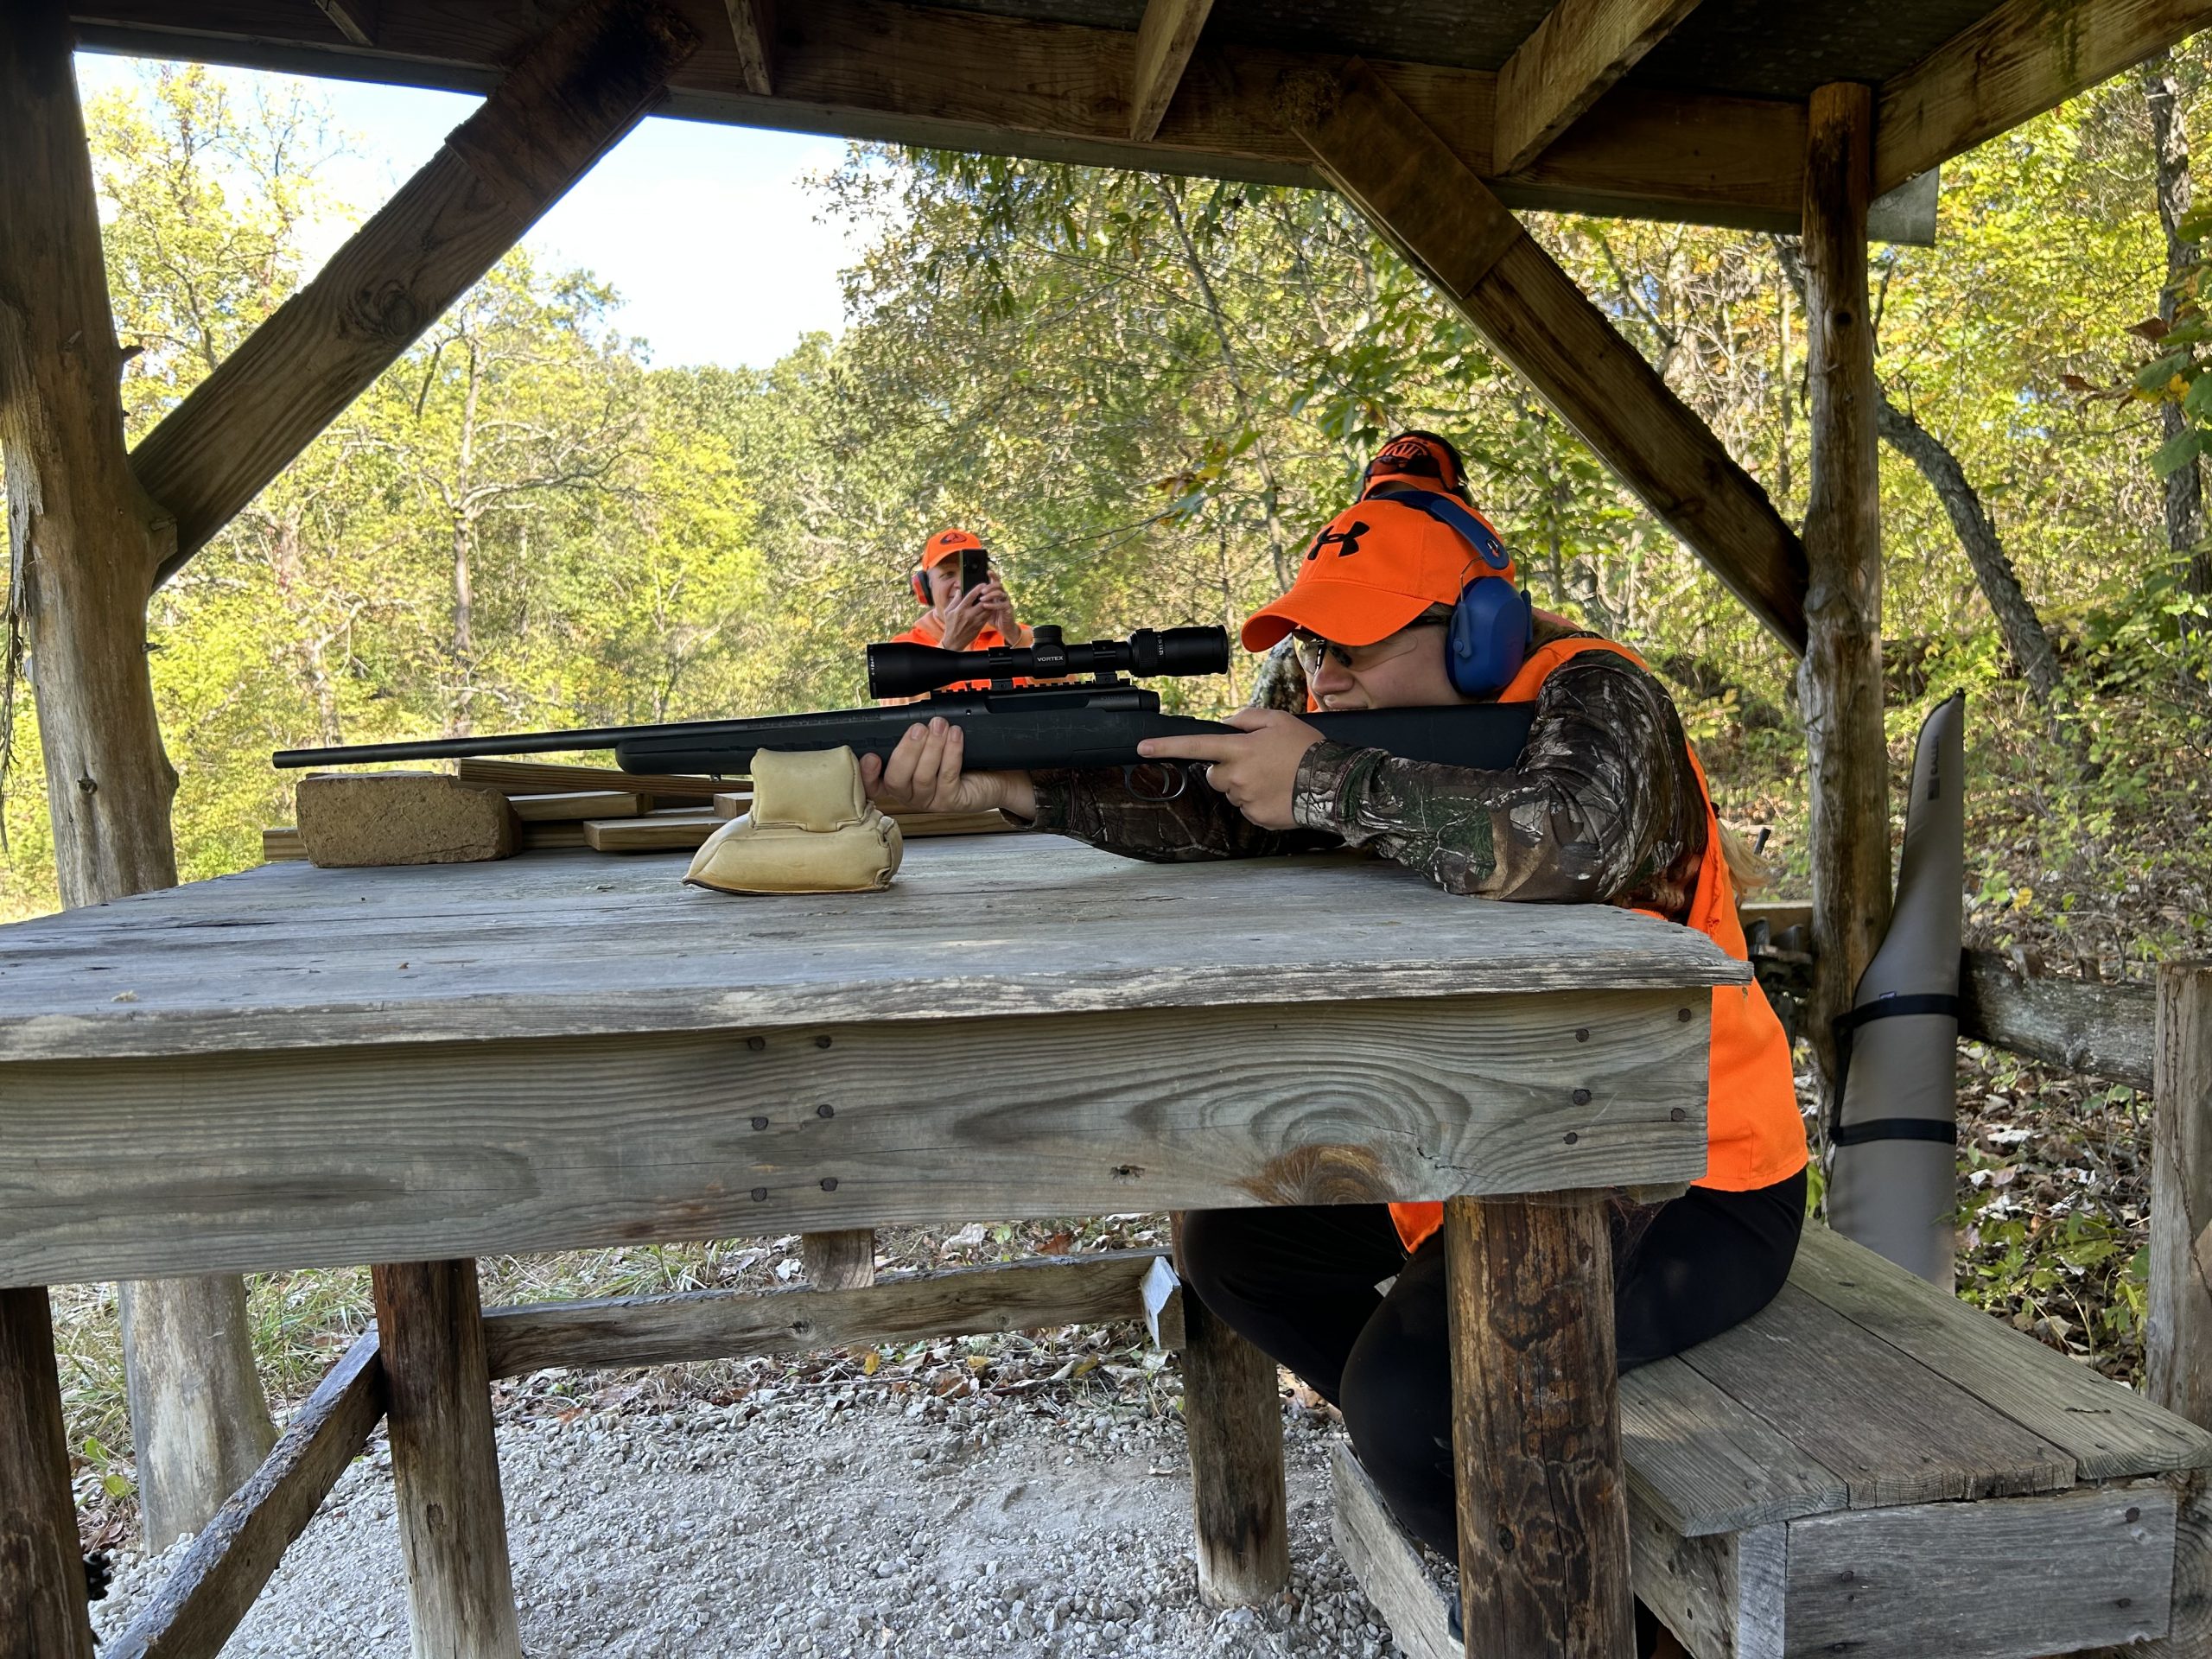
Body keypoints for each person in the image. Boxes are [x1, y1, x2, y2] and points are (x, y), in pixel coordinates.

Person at [862, 433, 1805, 1657]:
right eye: (1314, 646)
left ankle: (1600, 1617)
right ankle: (1496, 1505)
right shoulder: (1347, 722)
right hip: (1486, 1146)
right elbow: (1214, 804)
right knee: (1235, 1253)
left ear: (1475, 631)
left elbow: (1571, 835)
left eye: (1354, 645)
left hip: (1687, 1171)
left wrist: (1329, 787)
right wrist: (1003, 788)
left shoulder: (1598, 692)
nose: (1326, 678)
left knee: (1405, 1405)